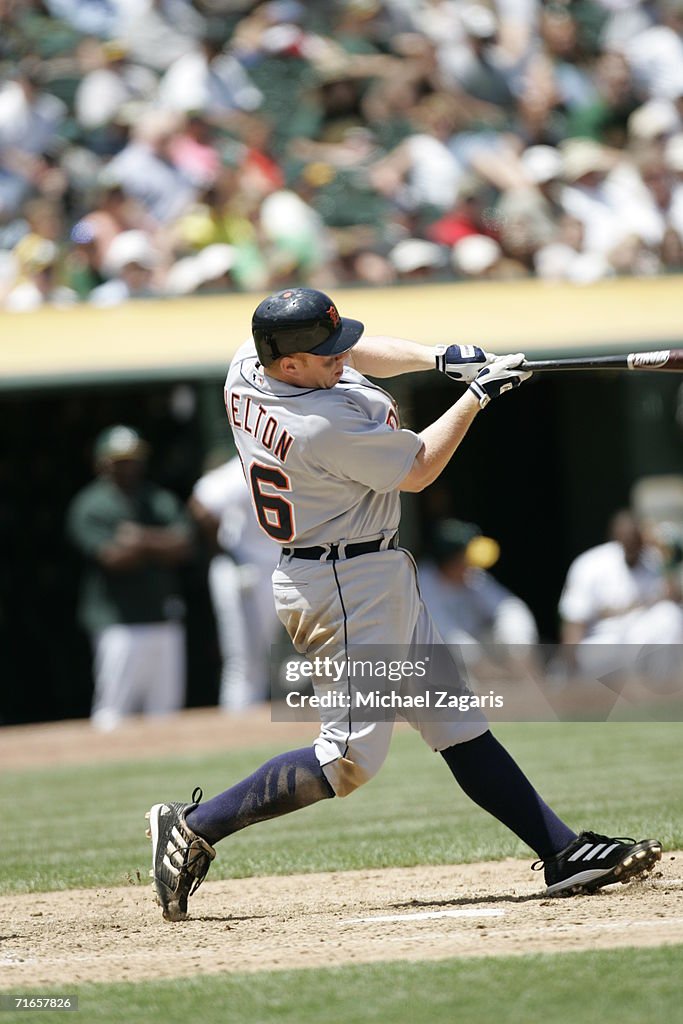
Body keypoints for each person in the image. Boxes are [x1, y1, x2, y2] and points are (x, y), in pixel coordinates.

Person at [146, 288, 661, 921]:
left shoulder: (249, 365)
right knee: (349, 759)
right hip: (341, 584)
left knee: (454, 721)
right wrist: (476, 397)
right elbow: (418, 468)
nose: (341, 356)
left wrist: (441, 359)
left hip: (365, 569)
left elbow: (356, 347)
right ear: (290, 365)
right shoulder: (319, 423)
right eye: (324, 353)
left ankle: (562, 851)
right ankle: (195, 826)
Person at [67, 425, 192, 731]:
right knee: (114, 712)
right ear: (103, 463)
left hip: (162, 616)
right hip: (117, 622)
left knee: (166, 712)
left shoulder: (157, 499)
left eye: (134, 459)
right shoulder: (92, 504)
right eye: (121, 460)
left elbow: (184, 546)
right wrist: (159, 544)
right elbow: (112, 558)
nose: (129, 466)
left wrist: (140, 540)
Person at [188, 455, 280, 712]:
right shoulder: (247, 462)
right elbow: (200, 504)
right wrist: (226, 547)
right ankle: (237, 724)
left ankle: (249, 724)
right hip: (244, 569)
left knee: (263, 658)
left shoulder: (290, 457)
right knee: (243, 663)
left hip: (275, 570)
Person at [559, 508, 683, 680]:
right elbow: (574, 622)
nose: (630, 541)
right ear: (615, 536)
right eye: (625, 536)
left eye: (635, 536)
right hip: (603, 645)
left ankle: (664, 687)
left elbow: (674, 600)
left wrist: (667, 557)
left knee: (669, 615)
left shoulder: (654, 560)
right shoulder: (591, 564)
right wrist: (569, 667)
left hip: (639, 643)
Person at [418, 518, 538, 669]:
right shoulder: (423, 582)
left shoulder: (472, 575)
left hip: (476, 649)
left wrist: (519, 648)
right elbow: (446, 635)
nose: (470, 563)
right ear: (449, 560)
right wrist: (481, 663)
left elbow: (509, 607)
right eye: (464, 557)